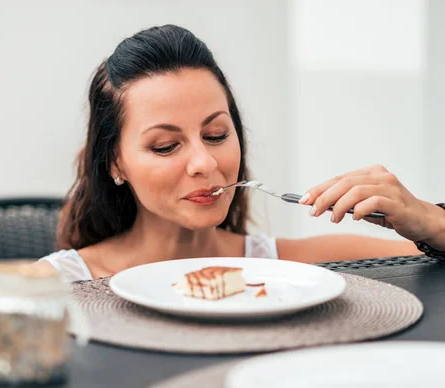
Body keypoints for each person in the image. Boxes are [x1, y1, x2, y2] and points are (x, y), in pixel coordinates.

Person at [39, 24, 445, 282]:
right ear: (115, 162)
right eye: (165, 145)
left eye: (215, 135)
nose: (205, 163)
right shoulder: (56, 285)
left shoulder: (286, 266)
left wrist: (429, 220)